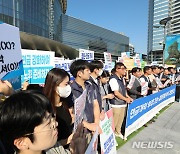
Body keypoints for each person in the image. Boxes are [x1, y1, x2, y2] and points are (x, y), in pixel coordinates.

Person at [0, 91, 87, 154]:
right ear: (21, 143)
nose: (55, 124)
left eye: (52, 118)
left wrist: (77, 151)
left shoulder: (52, 148)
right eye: (48, 123)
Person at [43, 68, 74, 146]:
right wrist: (67, 140)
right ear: (54, 85)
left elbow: (68, 121)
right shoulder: (44, 107)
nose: (68, 87)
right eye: (66, 84)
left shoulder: (65, 102)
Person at [70, 59, 101, 135]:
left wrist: (96, 123)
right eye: (87, 70)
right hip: (80, 130)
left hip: (93, 126)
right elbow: (71, 114)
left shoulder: (89, 86)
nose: (90, 72)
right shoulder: (71, 90)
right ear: (79, 73)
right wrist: (88, 126)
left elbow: (95, 104)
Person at [109, 62, 133, 139]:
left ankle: (118, 132)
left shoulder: (122, 79)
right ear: (117, 69)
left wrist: (128, 97)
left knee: (121, 120)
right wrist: (126, 99)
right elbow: (116, 93)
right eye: (123, 69)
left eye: (125, 69)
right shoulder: (113, 79)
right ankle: (111, 136)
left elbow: (124, 90)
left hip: (123, 103)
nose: (125, 71)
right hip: (116, 104)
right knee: (114, 121)